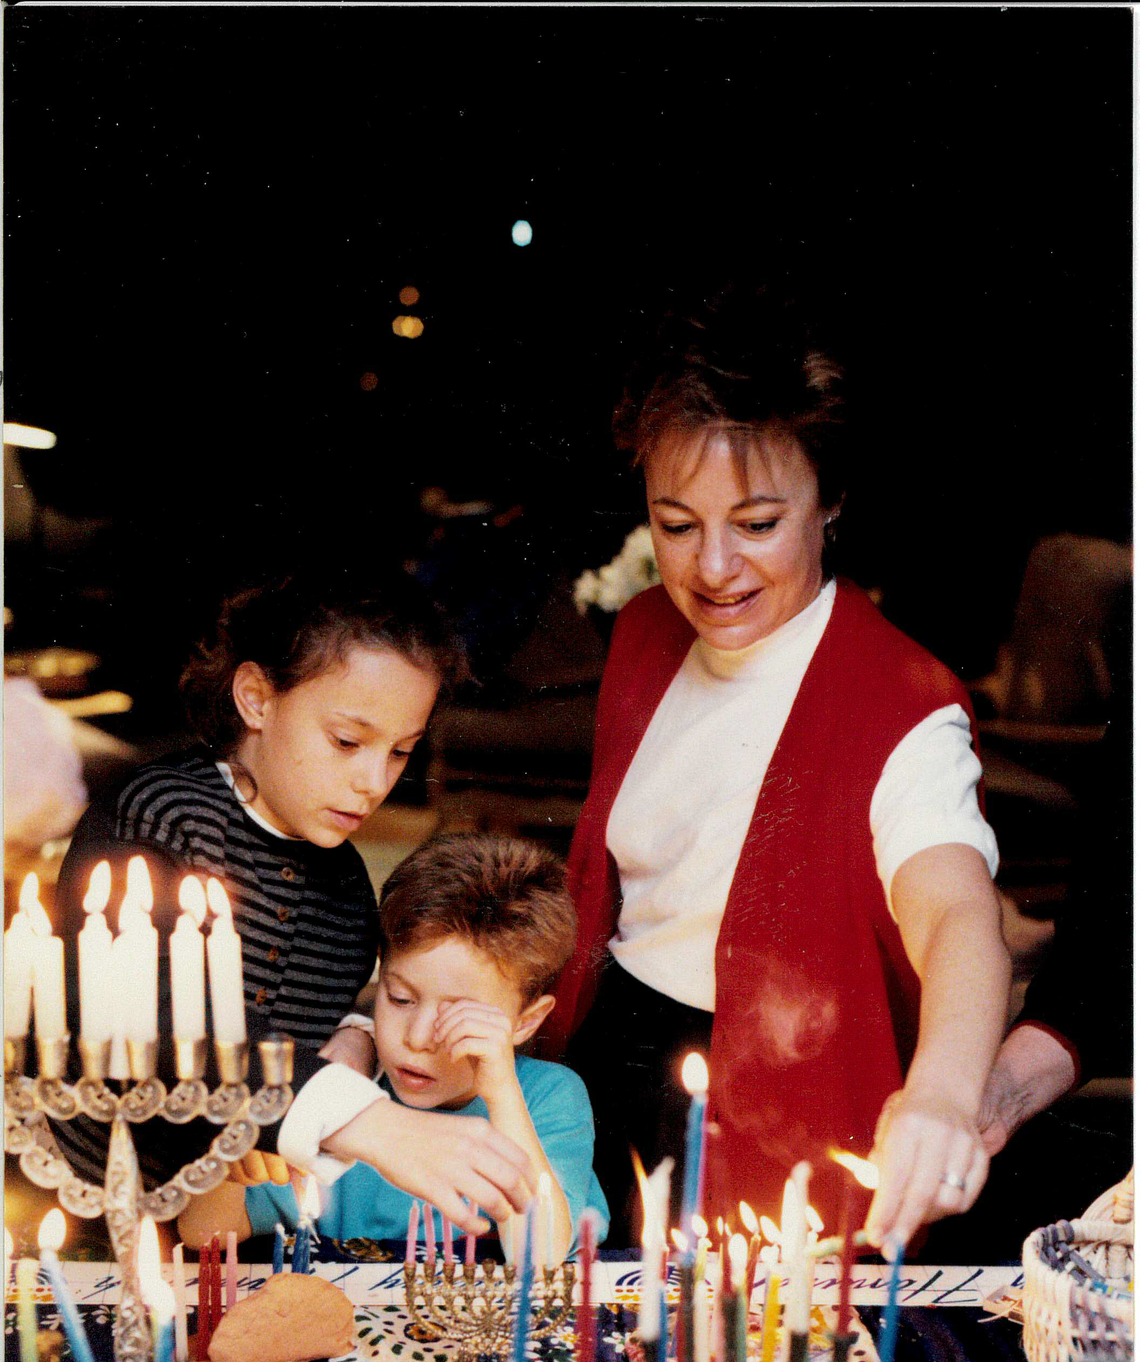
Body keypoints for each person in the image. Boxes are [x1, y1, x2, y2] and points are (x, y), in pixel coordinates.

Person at [543, 286, 1010, 1248]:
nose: (713, 567)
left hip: (772, 1100)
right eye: (677, 525)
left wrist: (942, 1093)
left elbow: (957, 912)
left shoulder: (899, 699)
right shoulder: (641, 634)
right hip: (603, 1064)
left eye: (756, 523)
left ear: (830, 500)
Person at [51, 571, 535, 1236]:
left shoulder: (344, 892)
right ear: (255, 697)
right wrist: (368, 1120)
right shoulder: (161, 814)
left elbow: (292, 1064)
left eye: (399, 752)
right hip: (76, 1214)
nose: (373, 782)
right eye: (345, 740)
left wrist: (353, 1038)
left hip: (216, 1238)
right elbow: (144, 1015)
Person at [179, 834, 609, 1260]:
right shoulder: (336, 1088)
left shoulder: (547, 1097)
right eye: (400, 998)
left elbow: (542, 1258)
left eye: (459, 1016)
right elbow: (204, 1232)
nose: (416, 1039)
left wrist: (502, 1093)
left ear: (526, 1021)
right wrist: (240, 1144)